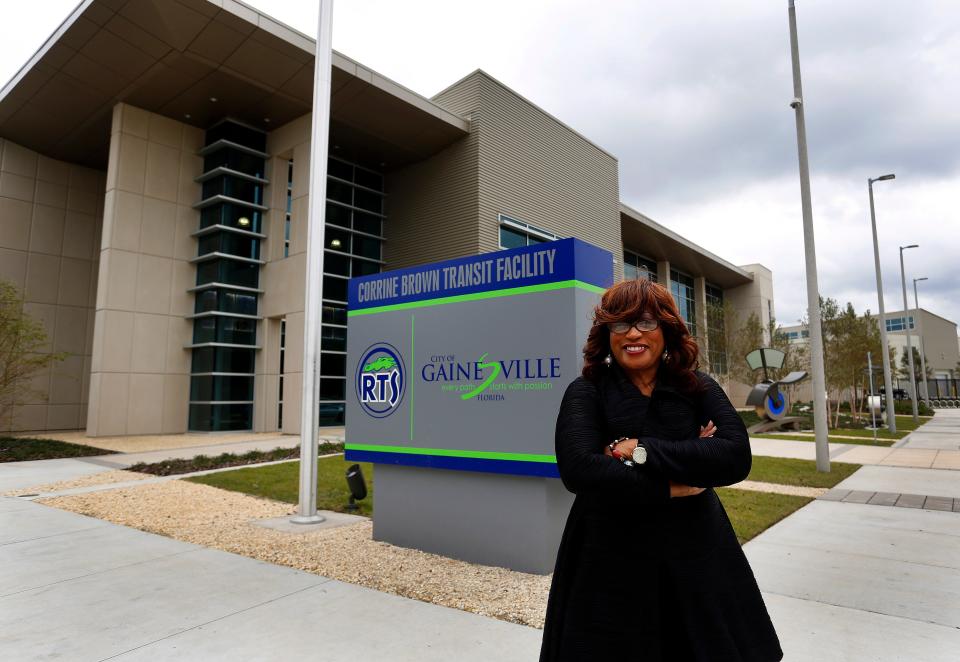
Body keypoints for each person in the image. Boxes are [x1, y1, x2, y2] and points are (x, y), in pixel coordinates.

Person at [540, 279, 782, 662]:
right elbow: (580, 469)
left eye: (646, 322)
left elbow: (734, 456)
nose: (633, 333)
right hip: (609, 563)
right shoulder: (587, 391)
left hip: (696, 558)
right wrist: (674, 481)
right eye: (620, 324)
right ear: (607, 334)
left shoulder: (697, 386)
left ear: (667, 330)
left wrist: (636, 450)